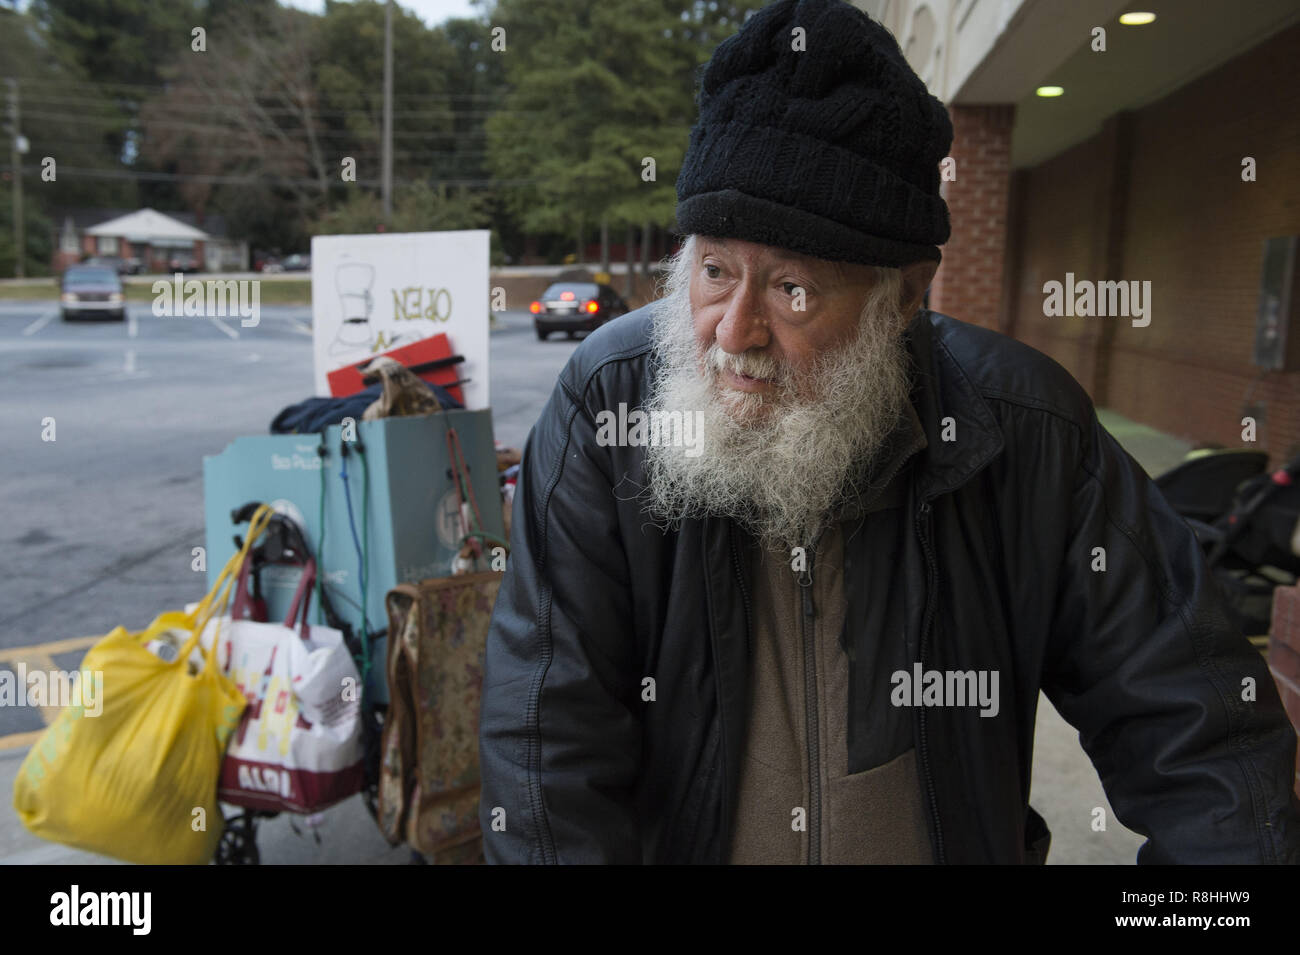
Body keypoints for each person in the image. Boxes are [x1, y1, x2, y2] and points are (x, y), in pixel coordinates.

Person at [478, 0, 1300, 864]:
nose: (732, 331)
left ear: (902, 297)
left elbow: (1214, 752)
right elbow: (545, 753)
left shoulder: (1028, 434)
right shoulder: (607, 408)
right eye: (715, 270)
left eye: (792, 288)